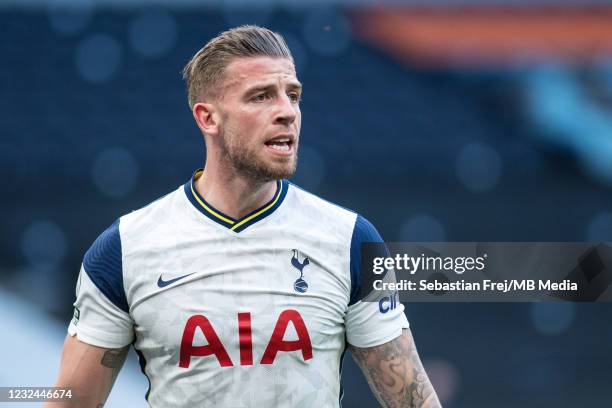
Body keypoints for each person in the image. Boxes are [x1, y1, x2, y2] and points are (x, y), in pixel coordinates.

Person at [47, 25, 441, 408]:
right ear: (208, 118)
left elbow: (413, 398)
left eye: (293, 95)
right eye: (262, 97)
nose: (287, 112)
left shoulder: (352, 240)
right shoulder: (124, 250)